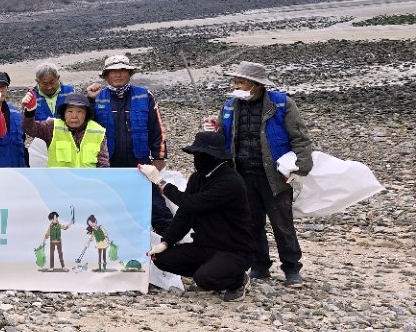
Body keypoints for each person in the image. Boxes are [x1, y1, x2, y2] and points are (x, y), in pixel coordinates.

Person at [214, 61, 314, 286]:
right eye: (235, 81)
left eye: (240, 81)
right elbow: (221, 138)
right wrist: (211, 131)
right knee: (251, 223)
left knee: (283, 224)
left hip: (275, 176)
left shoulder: (282, 104)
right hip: (241, 175)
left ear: (256, 84)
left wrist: (301, 169)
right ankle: (260, 266)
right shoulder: (229, 106)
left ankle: (291, 268)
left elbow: (300, 138)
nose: (235, 85)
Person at [139, 131, 254, 302]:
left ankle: (238, 280)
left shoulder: (230, 182)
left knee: (204, 279)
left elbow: (194, 203)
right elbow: (186, 213)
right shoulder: (197, 178)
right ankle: (214, 271)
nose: (197, 159)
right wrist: (166, 241)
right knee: (161, 259)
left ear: (215, 157)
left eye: (201, 155)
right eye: (195, 154)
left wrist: (161, 183)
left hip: (234, 250)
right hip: (205, 245)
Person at [86, 54, 171, 234]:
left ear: (130, 73)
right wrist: (90, 101)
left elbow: (157, 128)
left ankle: (169, 242)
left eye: (123, 70)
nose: (118, 74)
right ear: (106, 75)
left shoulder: (145, 95)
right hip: (109, 164)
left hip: (140, 162)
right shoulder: (97, 98)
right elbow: (82, 126)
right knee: (111, 206)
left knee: (157, 207)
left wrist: (159, 157)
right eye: (113, 71)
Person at [20, 92, 109, 167]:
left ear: (86, 114)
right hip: (58, 182)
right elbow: (30, 129)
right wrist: (30, 112)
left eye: (79, 112)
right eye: (70, 111)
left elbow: (103, 165)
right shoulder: (52, 126)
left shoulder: (98, 131)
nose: (74, 116)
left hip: (87, 182)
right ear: (64, 113)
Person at [0, 71, 27, 167]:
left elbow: (22, 142)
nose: (0, 90)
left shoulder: (15, 111)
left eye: (3, 86)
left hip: (18, 168)